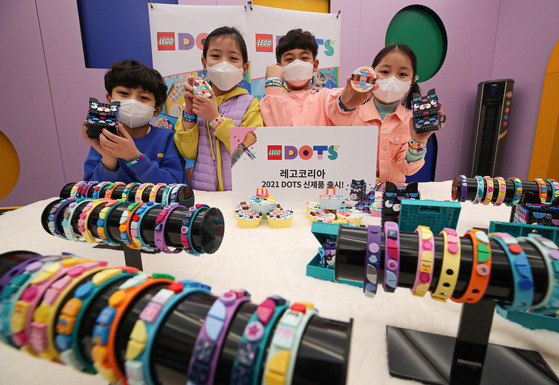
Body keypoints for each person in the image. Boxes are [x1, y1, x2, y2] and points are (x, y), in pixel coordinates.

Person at [338, 44, 443, 185]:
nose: (392, 79)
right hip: (355, 196)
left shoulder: (411, 120)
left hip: (392, 198)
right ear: (372, 75)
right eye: (385, 71)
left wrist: (417, 142)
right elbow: (343, 160)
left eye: (402, 74)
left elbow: (407, 169)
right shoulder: (352, 114)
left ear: (411, 82)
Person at [174, 26, 263, 191]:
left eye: (233, 58)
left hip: (241, 191)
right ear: (204, 63)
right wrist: (189, 111)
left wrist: (215, 119)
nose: (224, 63)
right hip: (202, 192)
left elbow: (251, 153)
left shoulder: (251, 104)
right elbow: (188, 152)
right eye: (215, 56)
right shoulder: (194, 102)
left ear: (244, 68)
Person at [82, 59, 185, 184]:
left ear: (157, 109)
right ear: (109, 99)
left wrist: (135, 157)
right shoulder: (103, 138)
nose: (133, 102)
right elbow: (90, 190)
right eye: (124, 93)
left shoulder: (166, 139)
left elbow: (175, 187)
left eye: (143, 97)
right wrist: (109, 160)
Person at [260, 28, 366, 127]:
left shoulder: (325, 97)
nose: (297, 63)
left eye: (304, 58)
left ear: (315, 65)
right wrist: (273, 84)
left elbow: (339, 111)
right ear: (280, 68)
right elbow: (276, 131)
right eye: (289, 59)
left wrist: (345, 105)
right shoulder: (273, 100)